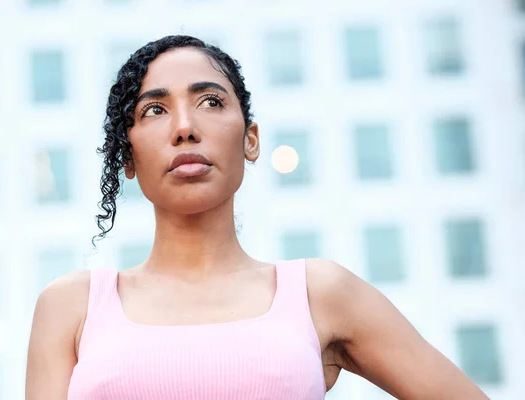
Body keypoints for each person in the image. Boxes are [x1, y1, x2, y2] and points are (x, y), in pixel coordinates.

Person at [25, 35, 489, 400]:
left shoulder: (320, 293)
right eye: (155, 109)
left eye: (210, 102)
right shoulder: (72, 306)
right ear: (127, 158)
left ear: (250, 140)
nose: (185, 127)